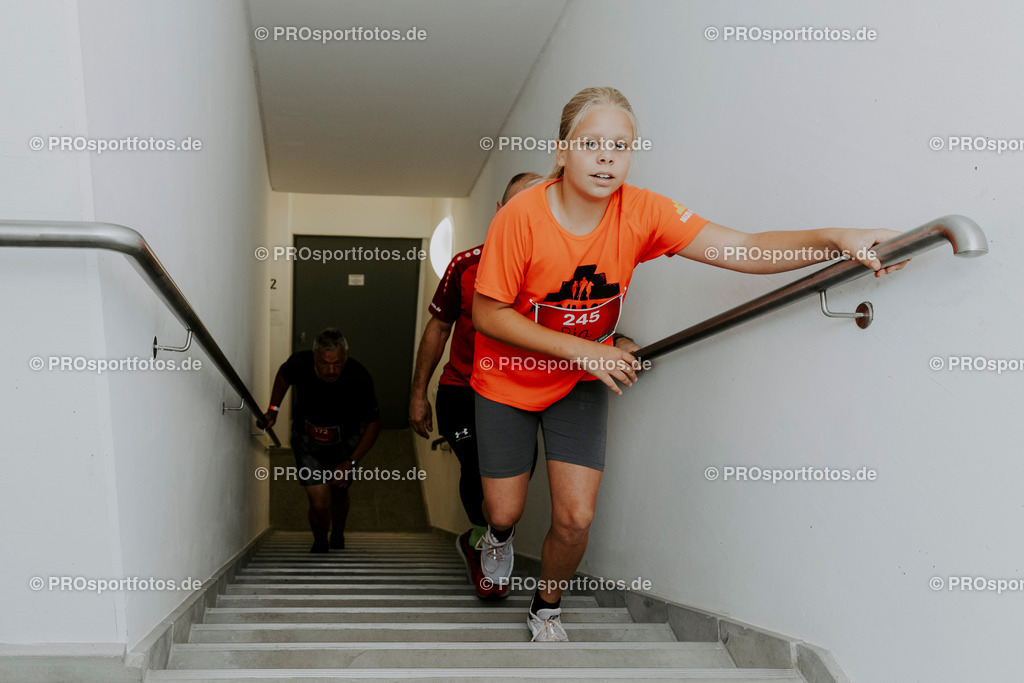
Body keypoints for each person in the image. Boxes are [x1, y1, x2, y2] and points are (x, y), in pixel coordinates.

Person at [470, 87, 909, 642]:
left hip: (581, 379)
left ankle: (547, 607)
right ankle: (496, 537)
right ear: (561, 152)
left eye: (621, 146)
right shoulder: (521, 216)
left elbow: (747, 249)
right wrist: (587, 349)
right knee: (504, 508)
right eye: (592, 143)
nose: (607, 156)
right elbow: (488, 313)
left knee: (576, 517)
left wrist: (837, 238)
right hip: (507, 378)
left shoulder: (643, 210)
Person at [408, 172, 539, 599]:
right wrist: (417, 393)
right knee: (480, 472)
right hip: (462, 390)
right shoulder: (466, 264)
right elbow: (438, 328)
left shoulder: (554, 269)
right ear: (501, 212)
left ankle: (484, 539)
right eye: (517, 206)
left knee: (515, 483)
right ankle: (485, 542)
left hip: (522, 394)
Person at [260, 329, 381, 553]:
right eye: (325, 363)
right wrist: (273, 410)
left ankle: (338, 532)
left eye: (338, 363)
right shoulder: (299, 363)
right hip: (308, 442)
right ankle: (320, 540)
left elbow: (374, 423)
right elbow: (283, 376)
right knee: (318, 502)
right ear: (315, 357)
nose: (332, 370)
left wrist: (352, 462)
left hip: (345, 443)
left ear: (345, 356)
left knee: (339, 492)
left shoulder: (359, 377)